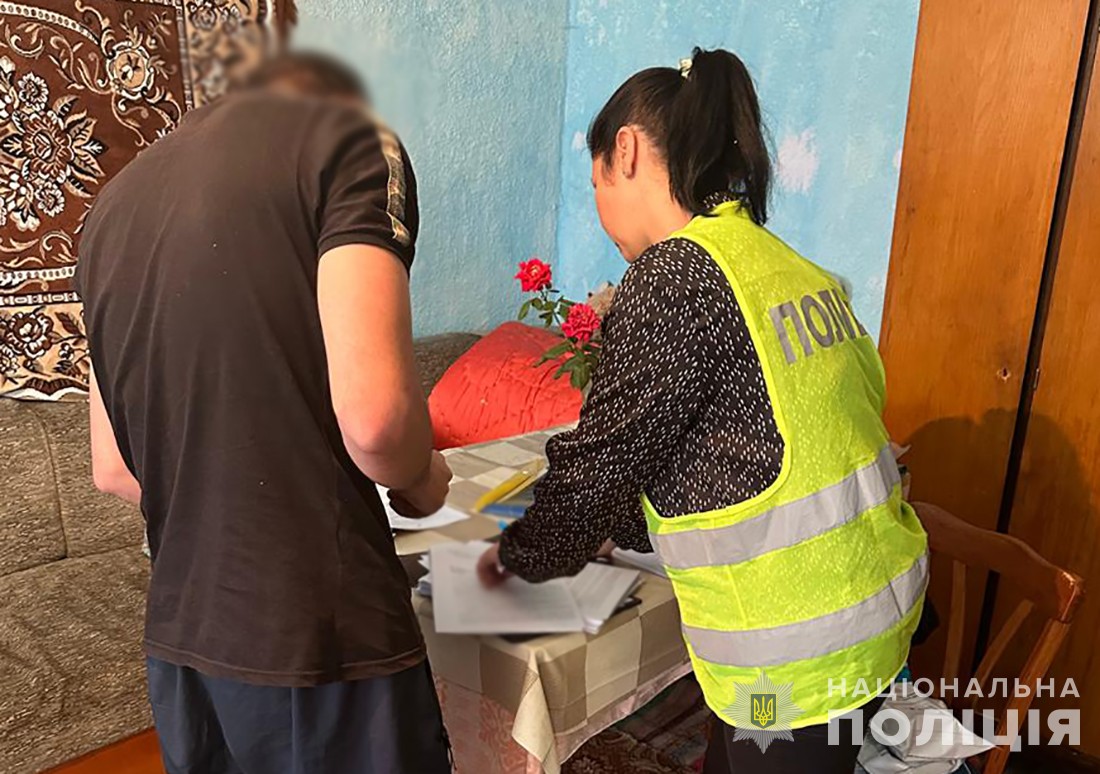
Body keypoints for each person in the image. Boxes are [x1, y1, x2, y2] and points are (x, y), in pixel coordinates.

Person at [477, 47, 928, 774]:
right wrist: (616, 524)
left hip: (793, 660)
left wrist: (502, 565)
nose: (600, 216)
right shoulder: (787, 267)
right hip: (874, 622)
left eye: (595, 183)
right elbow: (735, 445)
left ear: (624, 150)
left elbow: (602, 465)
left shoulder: (675, 275)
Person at [77, 53, 453, 773]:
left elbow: (113, 468)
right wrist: (426, 481)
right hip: (319, 639)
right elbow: (375, 421)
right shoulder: (349, 142)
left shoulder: (108, 210)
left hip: (185, 639)